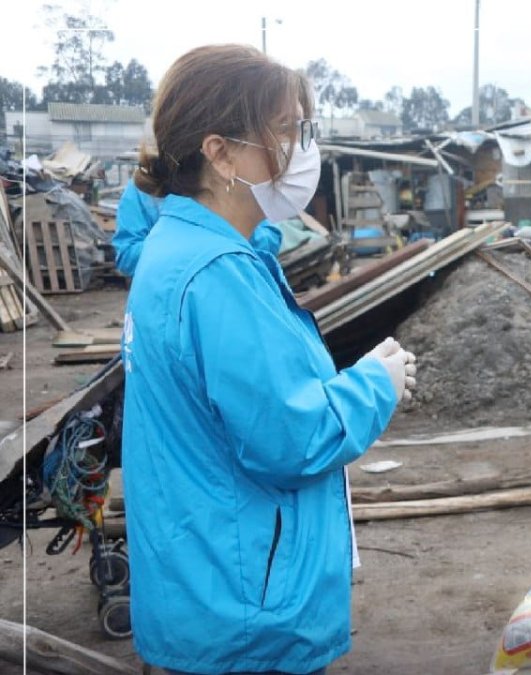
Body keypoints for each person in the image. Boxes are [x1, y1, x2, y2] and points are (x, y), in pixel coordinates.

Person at [120, 44, 416, 675]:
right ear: (220, 152)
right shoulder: (219, 275)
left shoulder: (180, 248)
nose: (304, 149)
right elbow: (290, 438)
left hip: (202, 577)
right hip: (245, 607)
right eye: (285, 130)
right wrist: (375, 383)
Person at [114, 177, 281, 277]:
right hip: (168, 301)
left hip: (234, 289)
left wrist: (229, 227)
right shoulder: (143, 189)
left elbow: (271, 239)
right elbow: (127, 255)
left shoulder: (231, 179)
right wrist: (186, 242)